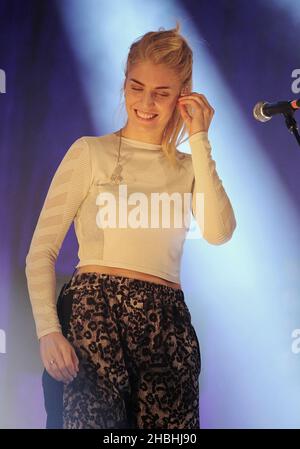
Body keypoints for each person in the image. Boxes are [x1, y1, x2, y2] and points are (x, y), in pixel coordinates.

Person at [25, 21, 236, 429]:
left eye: (162, 93)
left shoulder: (191, 166)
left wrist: (199, 138)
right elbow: (41, 252)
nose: (146, 102)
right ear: (124, 84)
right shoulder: (90, 153)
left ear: (183, 95)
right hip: (94, 315)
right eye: (136, 87)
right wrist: (49, 331)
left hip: (166, 325)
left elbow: (219, 232)